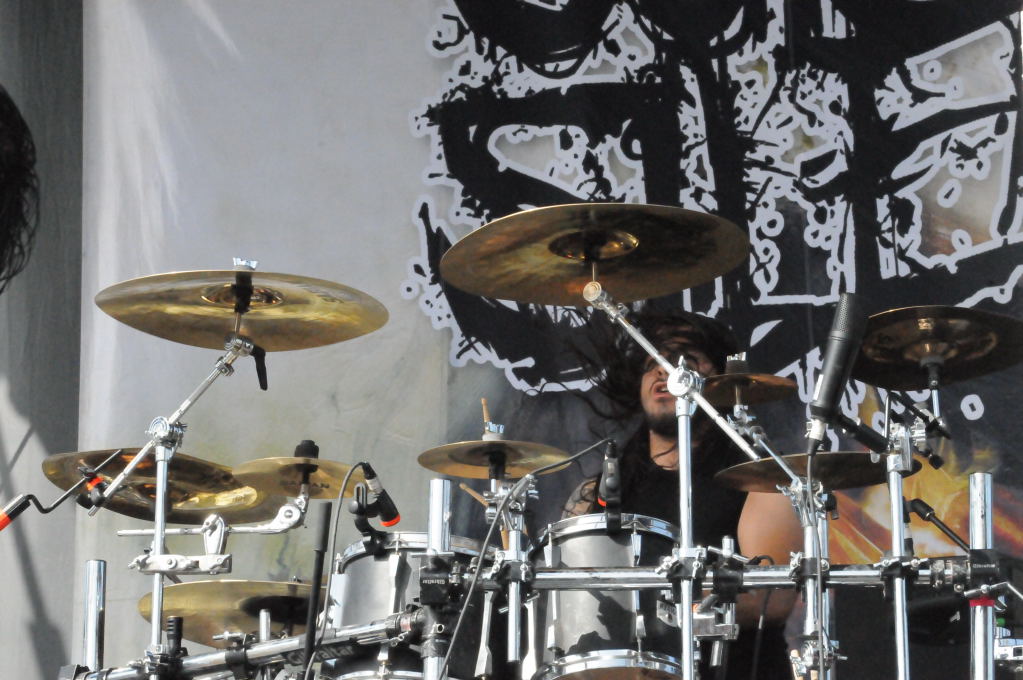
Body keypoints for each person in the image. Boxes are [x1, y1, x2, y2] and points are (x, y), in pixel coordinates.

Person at [563, 307, 803, 679]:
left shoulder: (759, 478)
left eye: (684, 361)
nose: (663, 371)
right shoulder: (597, 492)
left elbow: (771, 598)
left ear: (720, 381)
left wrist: (662, 613)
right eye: (651, 363)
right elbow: (566, 603)